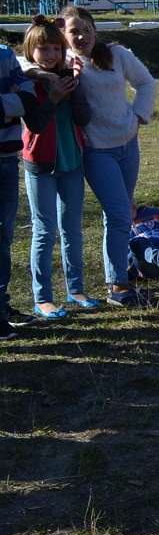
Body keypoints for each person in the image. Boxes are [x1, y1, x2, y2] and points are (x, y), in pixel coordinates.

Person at [59, 5, 157, 308]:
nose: (81, 36)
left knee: (119, 214)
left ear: (95, 32)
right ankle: (118, 286)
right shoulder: (62, 63)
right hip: (96, 151)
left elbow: (146, 82)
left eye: (86, 29)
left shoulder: (116, 54)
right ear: (64, 34)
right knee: (117, 214)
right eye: (74, 31)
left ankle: (121, 270)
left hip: (128, 145)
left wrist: (139, 116)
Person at [18, 16, 93, 321]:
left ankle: (76, 289)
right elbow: (34, 123)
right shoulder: (27, 82)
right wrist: (53, 97)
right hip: (41, 164)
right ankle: (42, 297)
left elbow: (84, 118)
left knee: (72, 229)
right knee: (44, 231)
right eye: (43, 49)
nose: (50, 55)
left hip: (71, 160)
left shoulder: (69, 76)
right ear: (31, 51)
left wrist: (73, 90)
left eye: (54, 49)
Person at [0, 41, 50, 338]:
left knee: (3, 236)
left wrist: (12, 103)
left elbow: (29, 98)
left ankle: (1, 306)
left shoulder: (5, 55)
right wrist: (11, 102)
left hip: (6, 159)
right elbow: (19, 100)